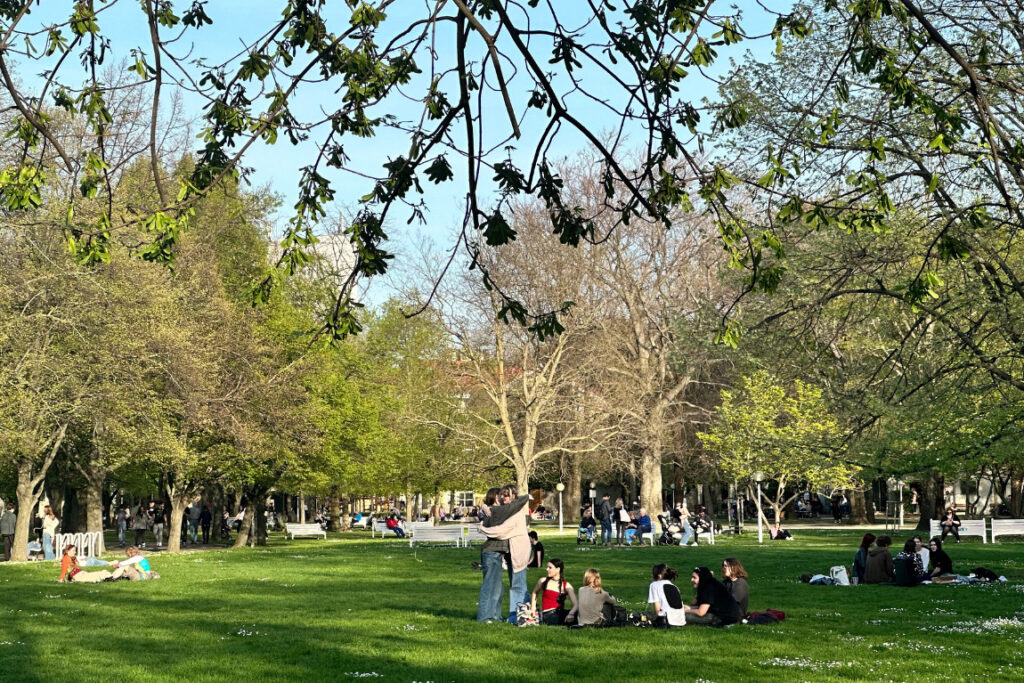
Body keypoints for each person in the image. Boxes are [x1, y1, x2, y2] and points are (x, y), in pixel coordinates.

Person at [479, 484, 532, 624]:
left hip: (518, 552)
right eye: (501, 495)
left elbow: (502, 531)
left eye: (506, 495)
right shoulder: (503, 511)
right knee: (505, 585)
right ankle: (514, 616)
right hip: (507, 552)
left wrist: (483, 529)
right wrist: (485, 507)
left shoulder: (515, 512)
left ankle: (519, 617)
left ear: (513, 496)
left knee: (518, 585)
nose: (503, 497)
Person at [530, 558, 578, 625]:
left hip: (560, 613)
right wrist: (533, 608)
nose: (547, 569)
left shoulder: (566, 585)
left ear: (558, 569)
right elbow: (535, 593)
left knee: (579, 613)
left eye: (550, 568)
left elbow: (576, 604)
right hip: (548, 615)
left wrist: (571, 613)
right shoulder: (543, 581)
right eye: (547, 567)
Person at [59, 545, 123, 583]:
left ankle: (111, 577)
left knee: (99, 573)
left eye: (75, 550)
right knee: (97, 575)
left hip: (81, 573)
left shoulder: (71, 558)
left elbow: (70, 571)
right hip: (79, 576)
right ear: (68, 551)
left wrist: (69, 579)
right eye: (73, 550)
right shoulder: (65, 558)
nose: (75, 552)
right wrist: (61, 579)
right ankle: (111, 577)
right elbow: (64, 570)